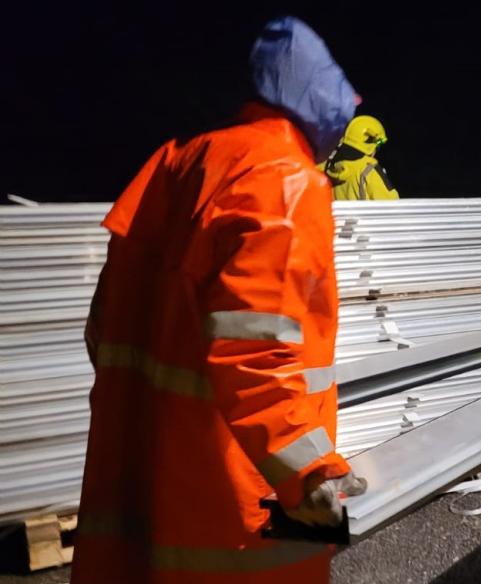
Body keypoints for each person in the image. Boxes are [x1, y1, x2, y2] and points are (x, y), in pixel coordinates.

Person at [73, 17, 365, 583]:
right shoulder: (286, 178)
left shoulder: (176, 163)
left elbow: (103, 329)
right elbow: (252, 349)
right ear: (317, 94)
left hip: (152, 489)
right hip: (241, 501)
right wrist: (307, 472)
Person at [324, 115, 400, 200]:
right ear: (369, 145)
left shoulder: (328, 167)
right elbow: (392, 207)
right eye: (377, 146)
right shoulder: (369, 170)